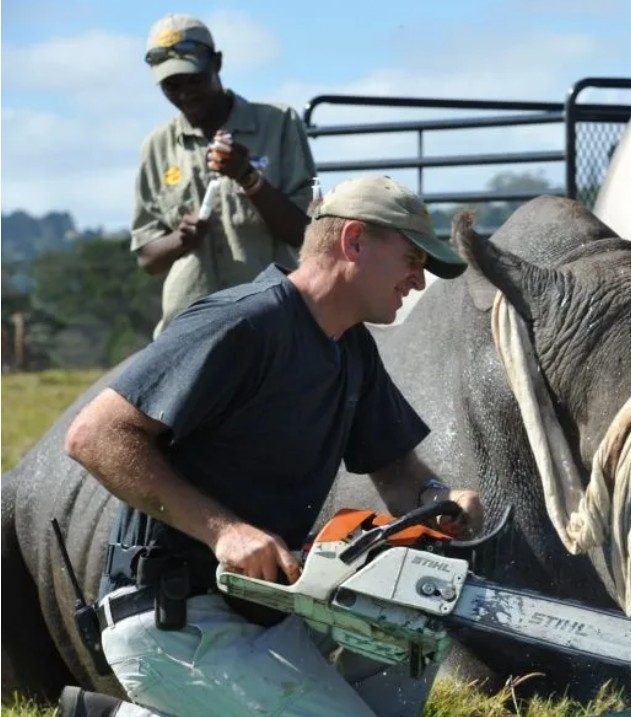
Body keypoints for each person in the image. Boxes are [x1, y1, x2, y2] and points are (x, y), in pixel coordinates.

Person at [62, 175, 484, 717]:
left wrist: (438, 499)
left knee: (414, 636)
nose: (419, 282)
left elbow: (398, 472)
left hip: (269, 611)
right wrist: (224, 531)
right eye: (411, 259)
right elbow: (94, 435)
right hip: (176, 619)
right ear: (354, 241)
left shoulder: (351, 349)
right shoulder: (241, 322)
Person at [134, 13, 317, 336]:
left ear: (217, 63)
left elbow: (306, 235)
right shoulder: (156, 147)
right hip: (188, 329)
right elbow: (147, 259)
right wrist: (180, 238)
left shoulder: (278, 123)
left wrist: (247, 177)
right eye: (172, 85)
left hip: (270, 320)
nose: (186, 94)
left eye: (195, 80)